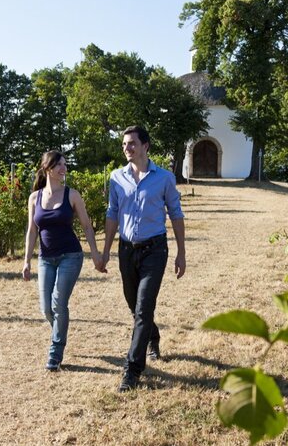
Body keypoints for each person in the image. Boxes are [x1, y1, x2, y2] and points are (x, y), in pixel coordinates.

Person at [97, 125, 185, 392]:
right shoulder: (116, 178)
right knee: (134, 306)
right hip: (127, 250)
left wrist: (182, 252)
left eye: (132, 143)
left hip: (155, 250)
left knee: (144, 308)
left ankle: (132, 370)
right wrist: (105, 251)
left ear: (146, 146)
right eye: (124, 144)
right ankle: (152, 336)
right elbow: (112, 214)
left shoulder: (165, 178)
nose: (127, 148)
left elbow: (176, 214)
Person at [23, 150, 102, 371]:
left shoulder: (72, 194)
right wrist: (26, 260)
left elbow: (87, 225)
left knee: (59, 303)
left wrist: (95, 253)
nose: (64, 169)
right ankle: (60, 329)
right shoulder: (34, 198)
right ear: (47, 168)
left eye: (65, 165)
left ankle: (55, 354)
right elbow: (31, 230)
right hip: (46, 259)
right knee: (46, 309)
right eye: (59, 165)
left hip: (71, 255)